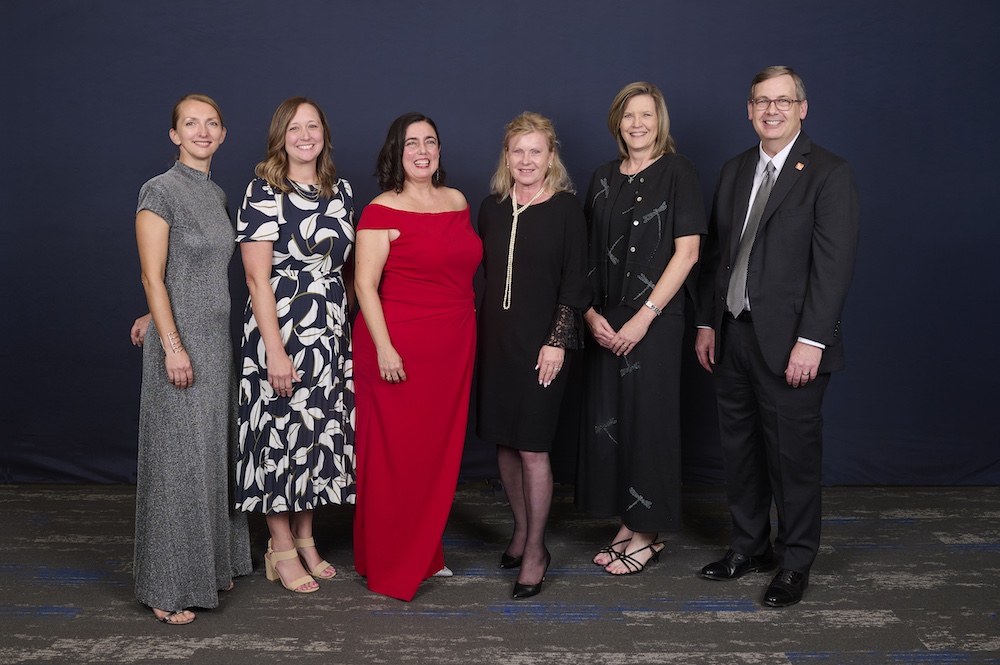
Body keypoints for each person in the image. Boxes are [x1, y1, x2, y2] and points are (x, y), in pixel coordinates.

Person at [695, 66, 860, 607]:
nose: (772, 110)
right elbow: (717, 256)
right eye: (762, 101)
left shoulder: (829, 173)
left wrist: (812, 341)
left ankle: (794, 562)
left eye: (783, 101)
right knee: (739, 451)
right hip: (733, 334)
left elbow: (832, 269)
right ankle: (750, 547)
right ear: (748, 109)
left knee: (792, 457)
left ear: (802, 108)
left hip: (793, 344)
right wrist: (706, 322)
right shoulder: (735, 169)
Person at [131, 94, 251, 625]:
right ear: (174, 134)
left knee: (209, 457)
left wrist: (149, 318)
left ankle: (209, 565)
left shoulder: (216, 192)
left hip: (214, 341)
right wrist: (170, 342)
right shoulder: (160, 190)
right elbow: (152, 274)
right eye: (190, 124)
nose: (202, 131)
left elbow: (189, 270)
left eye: (212, 124)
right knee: (177, 464)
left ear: (223, 134)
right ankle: (167, 585)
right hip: (182, 348)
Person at [577, 82, 705, 575]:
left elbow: (688, 253)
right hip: (605, 321)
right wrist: (591, 316)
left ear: (660, 121)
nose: (637, 124)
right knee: (612, 424)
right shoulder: (603, 177)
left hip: (655, 318)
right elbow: (585, 256)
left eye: (646, 115)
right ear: (617, 122)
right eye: (628, 116)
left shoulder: (679, 172)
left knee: (648, 423)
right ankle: (629, 522)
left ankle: (648, 534)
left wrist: (643, 317)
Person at [352, 113, 482, 601]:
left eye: (430, 141)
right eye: (412, 143)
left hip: (452, 346)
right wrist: (385, 347)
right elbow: (365, 285)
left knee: (434, 457)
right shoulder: (380, 210)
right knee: (395, 460)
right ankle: (392, 563)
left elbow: (460, 270)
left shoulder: (457, 202)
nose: (422, 150)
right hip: (397, 347)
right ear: (397, 152)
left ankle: (425, 552)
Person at [233, 97, 356, 594]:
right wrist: (276, 350)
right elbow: (256, 278)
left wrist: (338, 321)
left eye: (313, 126)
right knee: (278, 440)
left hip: (327, 335)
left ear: (324, 133)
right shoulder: (263, 191)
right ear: (280, 136)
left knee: (314, 439)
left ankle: (306, 538)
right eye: (295, 128)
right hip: (278, 330)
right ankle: (279, 545)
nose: (305, 135)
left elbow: (344, 267)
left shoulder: (341, 191)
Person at [476, 112, 590, 599]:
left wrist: (557, 341)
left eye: (535, 151)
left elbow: (576, 279)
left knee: (533, 446)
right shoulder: (490, 207)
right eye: (517, 151)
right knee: (504, 441)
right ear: (507, 155)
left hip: (543, 344)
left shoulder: (566, 208)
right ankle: (520, 530)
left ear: (550, 157)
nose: (526, 159)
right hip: (496, 341)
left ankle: (538, 549)